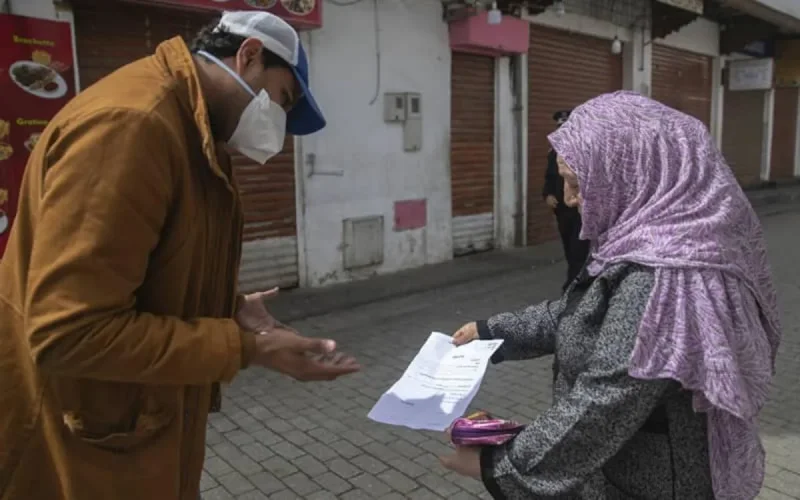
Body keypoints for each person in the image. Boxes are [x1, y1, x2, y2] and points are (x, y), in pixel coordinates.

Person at [0, 11, 359, 500]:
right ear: (248, 55)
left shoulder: (195, 135)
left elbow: (145, 266)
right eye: (282, 99)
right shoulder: (134, 126)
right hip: (74, 443)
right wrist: (248, 347)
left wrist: (230, 307)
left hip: (129, 425)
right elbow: (69, 332)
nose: (278, 123)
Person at [440, 91, 781, 499]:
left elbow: (605, 402)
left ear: (630, 174)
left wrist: (500, 467)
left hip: (650, 484)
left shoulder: (663, 278)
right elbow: (578, 313)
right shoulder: (642, 240)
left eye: (577, 184)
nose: (568, 200)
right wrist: (490, 332)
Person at [543, 109, 590, 291]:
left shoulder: (584, 150)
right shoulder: (553, 152)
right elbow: (549, 177)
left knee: (579, 248)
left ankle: (573, 286)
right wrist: (548, 194)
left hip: (580, 207)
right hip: (562, 210)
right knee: (569, 249)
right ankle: (576, 278)